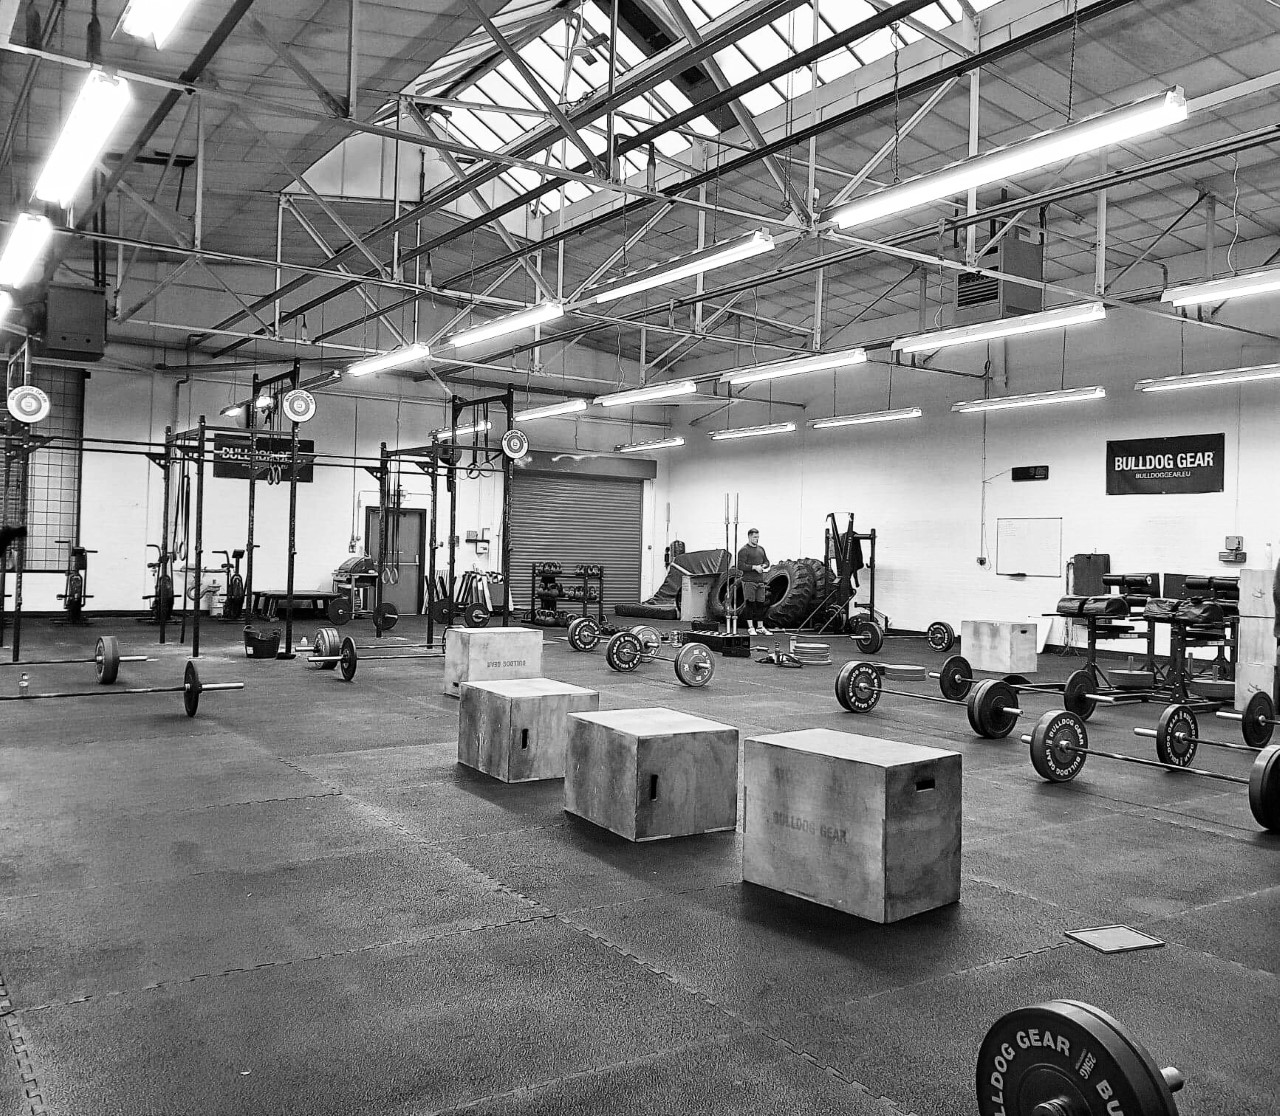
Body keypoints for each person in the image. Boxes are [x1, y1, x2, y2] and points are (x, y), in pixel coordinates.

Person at [736, 527, 772, 636]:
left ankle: (760, 627)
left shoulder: (761, 549)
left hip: (760, 581)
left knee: (760, 604)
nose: (757, 539)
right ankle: (751, 627)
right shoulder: (744, 550)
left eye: (758, 537)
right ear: (749, 537)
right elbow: (740, 565)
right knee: (750, 604)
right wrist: (754, 567)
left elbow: (767, 562)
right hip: (749, 581)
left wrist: (763, 566)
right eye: (755, 537)